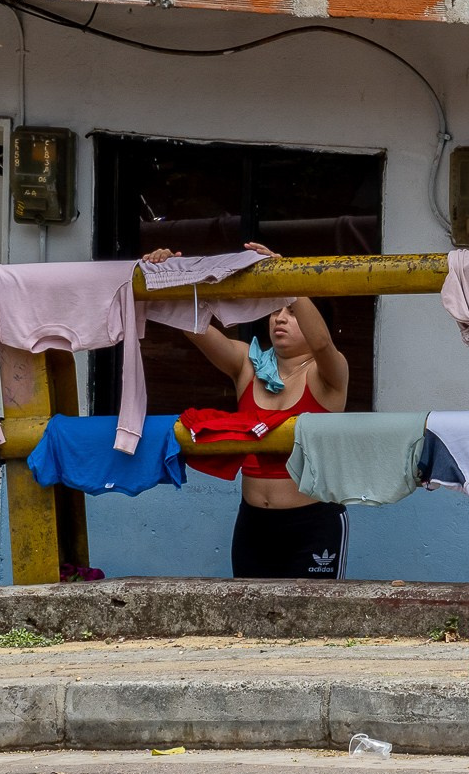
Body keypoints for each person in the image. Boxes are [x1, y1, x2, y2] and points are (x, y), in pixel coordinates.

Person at [141, 244, 351, 579]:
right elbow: (192, 328)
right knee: (247, 613)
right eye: (274, 310)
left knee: (313, 615)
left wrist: (289, 276)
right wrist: (172, 274)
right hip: (254, 523)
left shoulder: (330, 374)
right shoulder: (248, 364)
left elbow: (323, 343)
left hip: (314, 522)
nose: (280, 318)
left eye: (292, 311)